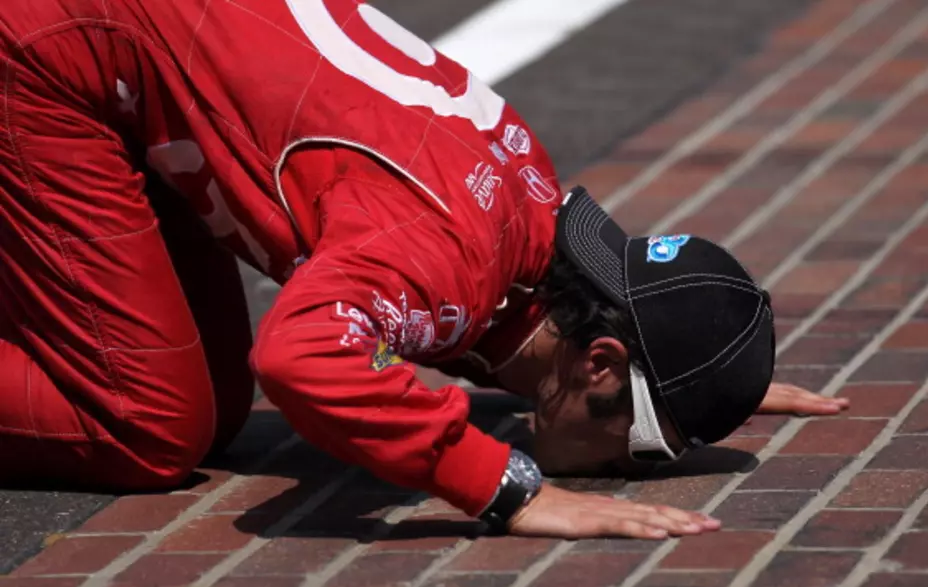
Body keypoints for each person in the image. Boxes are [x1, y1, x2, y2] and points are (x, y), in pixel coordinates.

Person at [0, 0, 848, 540]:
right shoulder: (447, 247)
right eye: (647, 449)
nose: (631, 472)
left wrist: (702, 375)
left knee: (212, 406)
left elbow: (512, 318)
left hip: (115, 44)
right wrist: (500, 487)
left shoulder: (525, 209)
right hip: (47, 49)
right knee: (149, 425)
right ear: (600, 361)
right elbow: (302, 356)